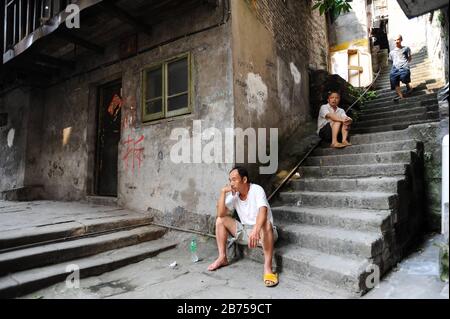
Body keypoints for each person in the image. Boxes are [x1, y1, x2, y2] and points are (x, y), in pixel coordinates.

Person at [207, 166, 279, 287]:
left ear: (244, 179)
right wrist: (223, 192)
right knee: (220, 220)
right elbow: (220, 213)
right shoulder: (234, 196)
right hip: (246, 232)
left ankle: (267, 268)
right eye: (230, 180)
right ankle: (222, 257)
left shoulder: (256, 189)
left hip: (264, 231)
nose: (231, 183)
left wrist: (256, 230)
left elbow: (263, 211)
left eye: (234, 179)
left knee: (266, 223)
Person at [389, 35, 412, 101]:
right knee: (393, 79)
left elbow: (409, 57)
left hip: (404, 67)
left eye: (398, 39)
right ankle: (401, 96)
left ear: (401, 40)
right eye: (395, 40)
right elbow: (391, 61)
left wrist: (406, 64)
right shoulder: (391, 52)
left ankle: (409, 86)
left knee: (404, 77)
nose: (397, 41)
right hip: (395, 68)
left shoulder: (406, 48)